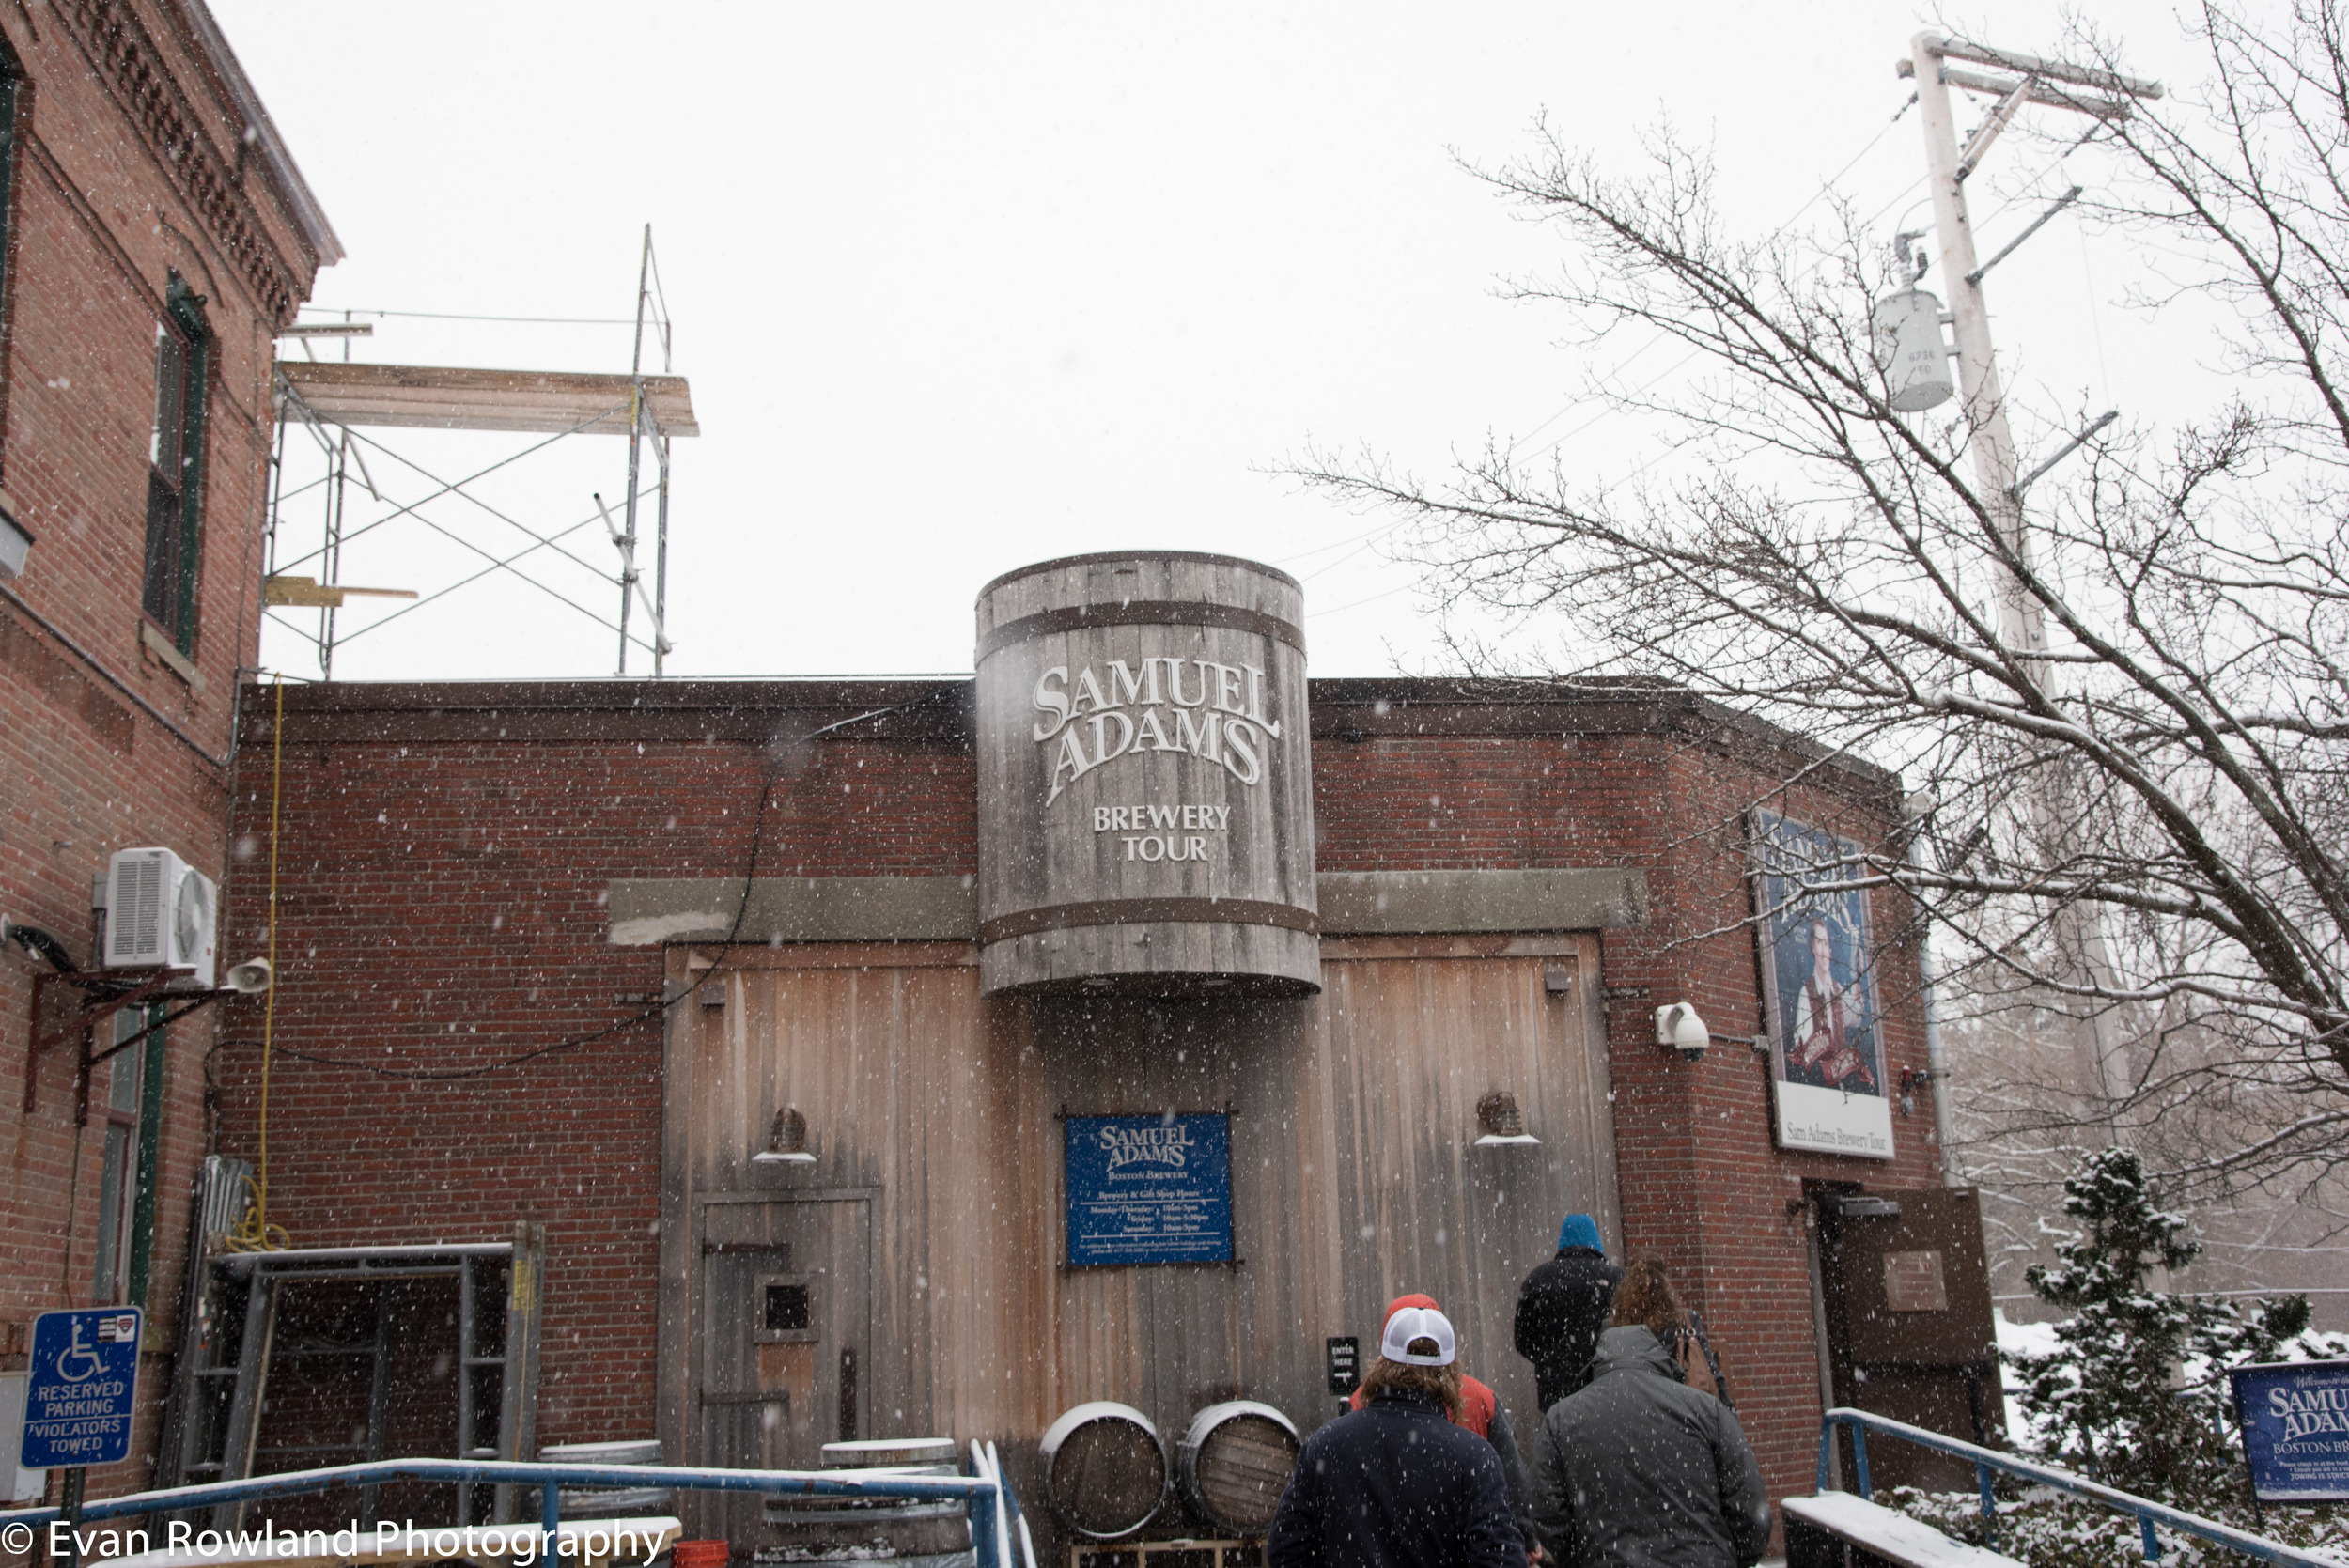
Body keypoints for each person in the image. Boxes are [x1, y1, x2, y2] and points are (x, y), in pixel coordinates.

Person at [1532, 1263, 1770, 1568]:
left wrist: (1585, 1557)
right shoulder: (1707, 1410)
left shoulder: (1562, 1418)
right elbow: (1750, 1509)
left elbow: (1547, 1513)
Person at [1268, 1304, 1527, 1568]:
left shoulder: (1326, 1445)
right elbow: (1501, 1560)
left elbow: (1286, 1551)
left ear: (1382, 1364)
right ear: (1451, 1374)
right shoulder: (1474, 1457)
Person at [1348, 1294, 1545, 1559]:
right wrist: (1526, 1538)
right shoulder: (1481, 1398)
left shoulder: (1359, 1402)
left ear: (1387, 1341)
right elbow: (1512, 1478)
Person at [1515, 1213, 1624, 1413]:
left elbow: (1523, 1341)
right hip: (1607, 1387)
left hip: (1556, 1391)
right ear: (1595, 1239)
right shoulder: (1617, 1280)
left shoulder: (1537, 1281)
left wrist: (1552, 1359)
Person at [1789, 915, 1876, 1092]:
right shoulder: (1807, 992)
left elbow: (1857, 1017)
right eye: (1820, 943)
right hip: (1816, 1087)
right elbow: (1801, 1045)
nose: (1824, 950)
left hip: (1840, 1087)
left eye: (1826, 943)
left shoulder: (1838, 990)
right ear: (1813, 948)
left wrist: (1857, 980)